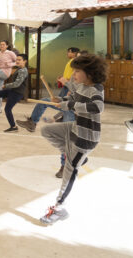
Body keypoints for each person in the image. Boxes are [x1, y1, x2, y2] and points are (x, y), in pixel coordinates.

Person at [38, 54, 107, 225]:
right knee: (47, 131)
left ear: (89, 73)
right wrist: (61, 100)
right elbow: (72, 100)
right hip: (75, 129)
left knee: (69, 171)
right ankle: (76, 157)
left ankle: (59, 208)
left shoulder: (96, 89)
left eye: (77, 71)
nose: (73, 74)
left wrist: (69, 105)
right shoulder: (81, 86)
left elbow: (98, 107)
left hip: (86, 137)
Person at [16, 47, 79, 132]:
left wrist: (67, 85)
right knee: (47, 102)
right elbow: (67, 100)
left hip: (75, 111)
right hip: (69, 100)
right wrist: (61, 98)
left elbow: (75, 101)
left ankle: (33, 123)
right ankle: (32, 123)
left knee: (66, 112)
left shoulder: (85, 81)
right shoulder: (75, 71)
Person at [0, 53, 28, 132]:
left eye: (19, 60)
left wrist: (5, 86)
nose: (17, 61)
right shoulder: (19, 68)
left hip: (17, 93)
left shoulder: (23, 71)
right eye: (16, 59)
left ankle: (13, 127)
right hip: (12, 90)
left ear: (25, 61)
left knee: (7, 109)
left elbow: (17, 84)